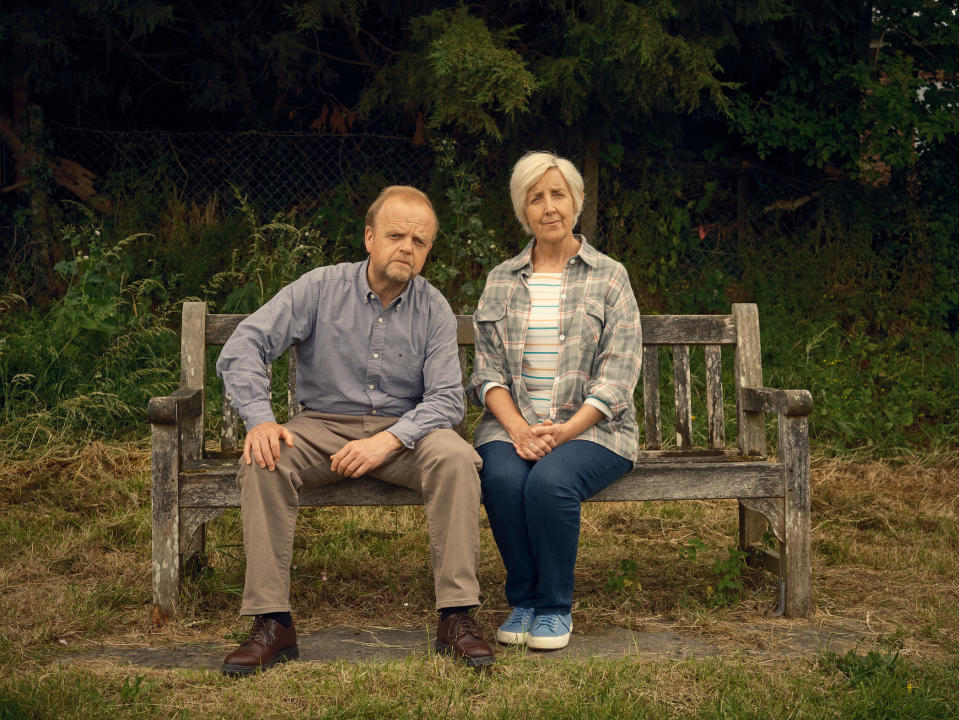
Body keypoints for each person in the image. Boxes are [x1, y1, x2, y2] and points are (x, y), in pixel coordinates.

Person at [216, 186, 494, 675]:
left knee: (455, 459)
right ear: (369, 238)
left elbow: (448, 401)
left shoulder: (433, 307)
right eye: (395, 235)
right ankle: (272, 623)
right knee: (264, 460)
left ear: (428, 252)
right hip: (322, 426)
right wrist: (259, 418)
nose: (407, 247)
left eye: (420, 241)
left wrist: (388, 439)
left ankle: (457, 617)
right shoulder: (319, 288)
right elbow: (245, 345)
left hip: (405, 434)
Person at [466, 152, 641, 650]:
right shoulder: (502, 278)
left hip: (594, 430)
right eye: (535, 197)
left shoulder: (609, 277)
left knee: (550, 481)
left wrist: (565, 432)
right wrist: (519, 429)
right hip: (512, 425)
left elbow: (619, 372)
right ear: (523, 211)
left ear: (577, 202)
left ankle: (553, 607)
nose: (548, 207)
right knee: (499, 476)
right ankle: (522, 599)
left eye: (558, 194)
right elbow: (487, 372)